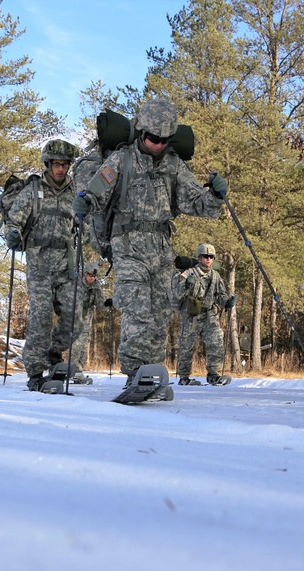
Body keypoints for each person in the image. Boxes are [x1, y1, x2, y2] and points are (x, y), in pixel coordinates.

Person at [73, 97, 227, 383]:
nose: (158, 144)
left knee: (159, 314)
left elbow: (194, 200)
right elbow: (97, 190)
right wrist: (86, 202)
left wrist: (215, 196)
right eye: (153, 138)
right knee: (137, 308)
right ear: (142, 133)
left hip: (160, 246)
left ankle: (151, 372)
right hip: (127, 244)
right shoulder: (121, 159)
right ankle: (134, 372)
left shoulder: (173, 165)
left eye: (164, 139)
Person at [4, 138, 82, 391]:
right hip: (39, 263)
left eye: (65, 164)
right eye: (56, 164)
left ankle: (54, 352)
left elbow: (88, 223)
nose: (60, 169)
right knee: (40, 318)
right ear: (47, 164)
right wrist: (14, 234)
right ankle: (35, 371)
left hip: (66, 263)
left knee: (74, 318)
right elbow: (14, 220)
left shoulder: (76, 191)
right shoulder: (33, 190)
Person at [175, 243, 232, 385]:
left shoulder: (215, 276)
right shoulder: (189, 273)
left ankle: (213, 374)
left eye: (211, 257)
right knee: (186, 346)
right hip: (192, 316)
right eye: (206, 256)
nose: (208, 259)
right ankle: (183, 376)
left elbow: (220, 295)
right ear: (199, 257)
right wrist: (186, 284)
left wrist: (227, 302)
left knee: (216, 341)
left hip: (209, 315)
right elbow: (177, 293)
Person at [69, 261, 106, 380]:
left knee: (84, 344)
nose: (92, 278)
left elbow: (100, 304)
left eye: (94, 276)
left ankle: (79, 370)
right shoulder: (75, 283)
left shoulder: (96, 286)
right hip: (74, 318)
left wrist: (107, 303)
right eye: (90, 275)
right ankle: (71, 369)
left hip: (86, 320)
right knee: (75, 344)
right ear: (85, 273)